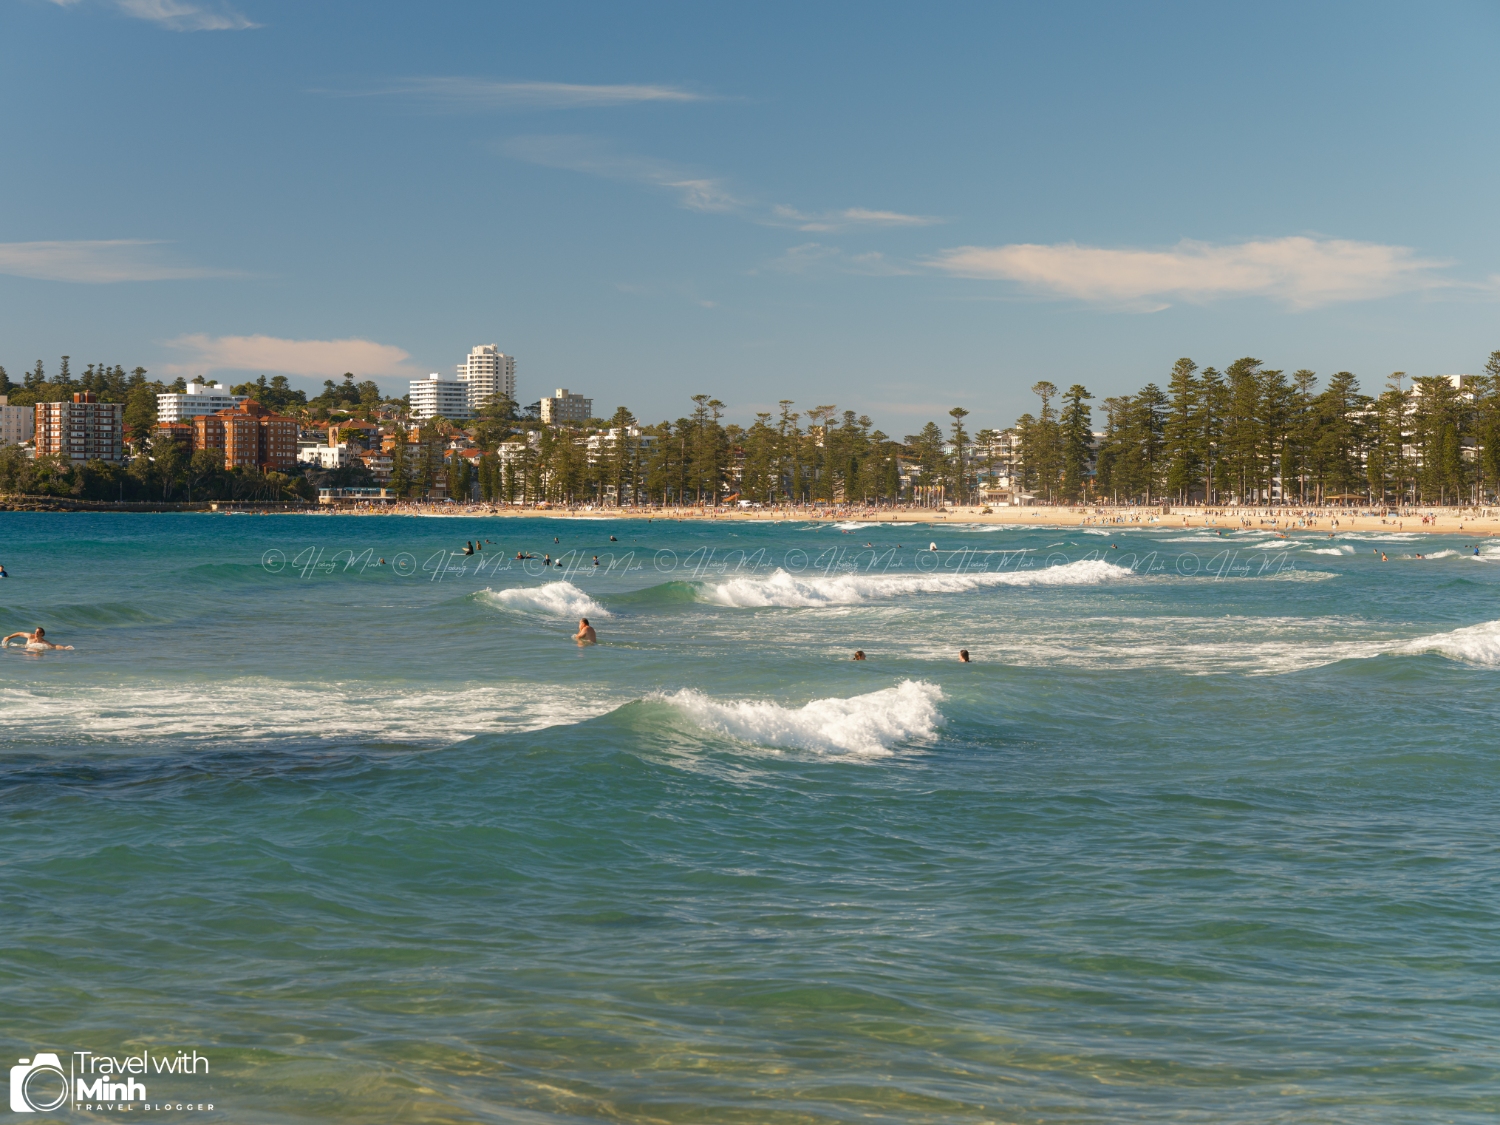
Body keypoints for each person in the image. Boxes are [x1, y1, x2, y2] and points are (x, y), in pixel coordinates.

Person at [3, 627, 72, 651]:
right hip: (26, 650)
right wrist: (9, 637)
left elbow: (54, 646)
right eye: (36, 631)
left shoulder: (43, 642)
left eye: (38, 632)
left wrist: (64, 647)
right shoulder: (30, 636)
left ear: (42, 634)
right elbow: (19, 633)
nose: (36, 633)